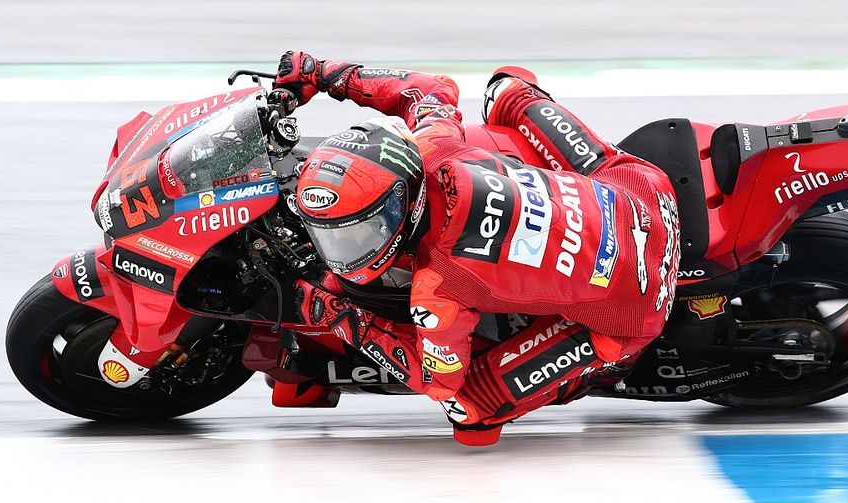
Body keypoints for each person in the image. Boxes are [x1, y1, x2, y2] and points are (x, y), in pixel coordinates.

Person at [276, 51, 680, 445]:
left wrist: (341, 315)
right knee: (506, 89)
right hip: (644, 189)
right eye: (330, 235)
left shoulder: (436, 287)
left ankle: (607, 367)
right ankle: (520, 96)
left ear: (404, 203)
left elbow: (439, 381)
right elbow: (428, 89)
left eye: (362, 231)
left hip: (637, 308)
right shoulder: (437, 145)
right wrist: (327, 73)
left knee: (469, 412)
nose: (345, 249)